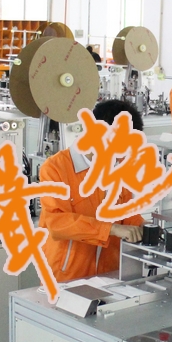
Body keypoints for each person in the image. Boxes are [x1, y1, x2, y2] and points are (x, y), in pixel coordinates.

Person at [38, 99, 145, 283]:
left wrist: (144, 227)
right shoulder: (56, 168)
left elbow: (127, 214)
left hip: (109, 276)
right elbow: (56, 222)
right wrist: (111, 229)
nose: (121, 156)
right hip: (66, 277)